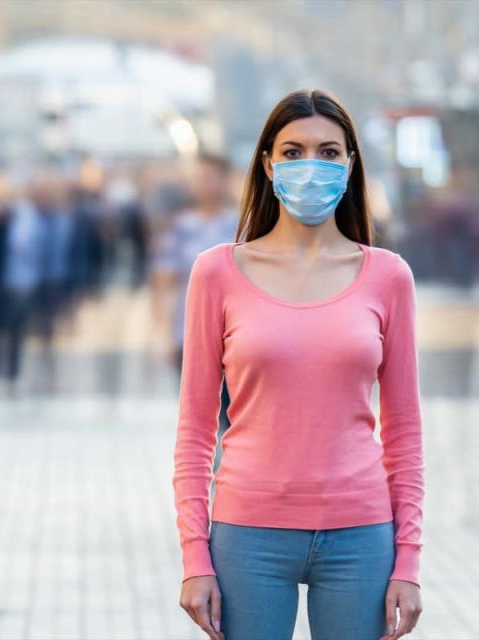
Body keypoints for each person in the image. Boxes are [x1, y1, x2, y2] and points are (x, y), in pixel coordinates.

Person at [173, 89, 425, 640]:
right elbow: (194, 432)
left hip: (361, 534)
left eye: (328, 152)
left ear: (351, 163)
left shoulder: (388, 277)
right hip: (249, 533)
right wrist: (196, 556)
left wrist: (408, 561)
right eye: (292, 152)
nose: (311, 166)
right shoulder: (217, 272)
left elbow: (403, 432)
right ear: (267, 164)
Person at [152, 152, 239, 455]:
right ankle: (209, 465)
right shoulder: (180, 228)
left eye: (212, 177)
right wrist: (162, 330)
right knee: (201, 411)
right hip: (189, 333)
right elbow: (164, 277)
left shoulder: (243, 226)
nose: (205, 184)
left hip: (237, 334)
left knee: (236, 409)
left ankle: (230, 466)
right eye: (200, 177)